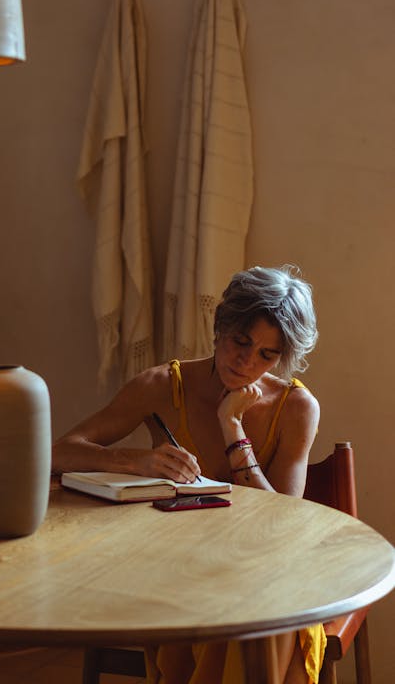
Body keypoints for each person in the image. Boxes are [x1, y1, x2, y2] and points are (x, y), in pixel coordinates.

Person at [52, 265, 323, 684]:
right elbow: (60, 453)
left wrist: (232, 428)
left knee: (260, 612)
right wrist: (136, 461)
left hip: (267, 570)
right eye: (241, 341)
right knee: (221, 606)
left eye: (267, 355)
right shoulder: (162, 385)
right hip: (179, 568)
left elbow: (281, 518)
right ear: (220, 327)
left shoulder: (297, 408)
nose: (247, 361)